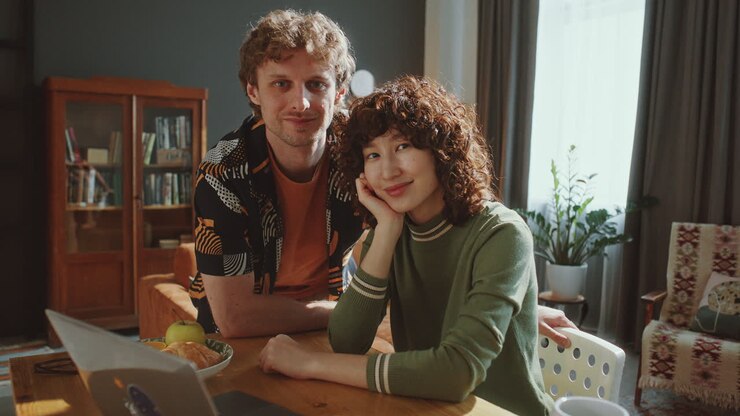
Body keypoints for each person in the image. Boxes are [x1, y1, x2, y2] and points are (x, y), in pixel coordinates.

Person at [191, 8, 577, 345]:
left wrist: (501, 298)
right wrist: (342, 312)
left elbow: (443, 211)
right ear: (253, 91)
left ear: (339, 91)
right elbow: (236, 318)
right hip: (247, 335)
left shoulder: (363, 148)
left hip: (339, 320)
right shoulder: (223, 173)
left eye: (316, 84)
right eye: (281, 84)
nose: (301, 102)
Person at [258, 76, 554, 415]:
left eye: (403, 147)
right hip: (423, 407)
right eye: (372, 154)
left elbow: (455, 373)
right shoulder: (394, 227)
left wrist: (310, 364)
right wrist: (385, 233)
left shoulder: (502, 234)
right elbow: (347, 341)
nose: (387, 170)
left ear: (441, 150)